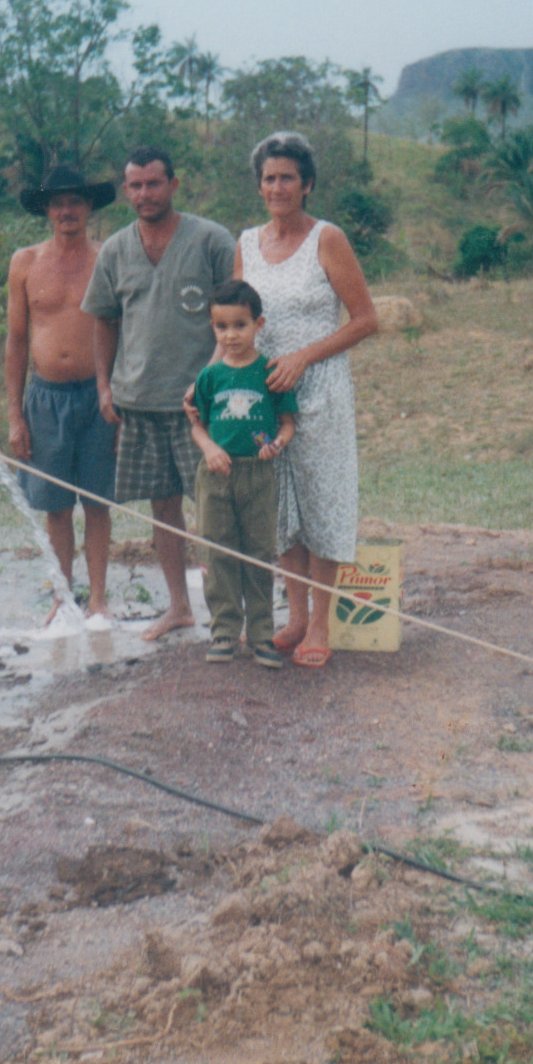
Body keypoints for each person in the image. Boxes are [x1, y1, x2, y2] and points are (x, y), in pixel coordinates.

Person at [234, 132, 378, 668]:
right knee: (280, 506)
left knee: (321, 498)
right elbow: (233, 318)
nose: (277, 187)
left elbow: (366, 320)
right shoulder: (247, 243)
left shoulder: (328, 238)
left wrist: (304, 357)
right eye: (269, 177)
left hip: (319, 389)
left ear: (307, 183)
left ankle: (321, 623)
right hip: (264, 392)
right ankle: (293, 617)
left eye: (287, 177)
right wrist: (215, 378)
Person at [82, 146, 236, 640]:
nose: (144, 194)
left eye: (153, 183)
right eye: (135, 185)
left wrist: (212, 381)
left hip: (202, 404)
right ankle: (178, 607)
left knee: (218, 508)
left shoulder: (211, 240)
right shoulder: (114, 250)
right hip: (139, 401)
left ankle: (232, 614)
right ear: (126, 190)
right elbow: (104, 320)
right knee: (163, 509)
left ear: (173, 183)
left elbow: (237, 318)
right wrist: (105, 385)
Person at [6, 164, 120, 623]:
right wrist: (15, 415)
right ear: (46, 210)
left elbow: (122, 330)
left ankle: (98, 598)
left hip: (100, 397)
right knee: (55, 506)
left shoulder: (108, 257)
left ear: (89, 206)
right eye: (58, 202)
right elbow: (16, 340)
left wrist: (118, 398)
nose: (67, 210)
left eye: (75, 201)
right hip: (45, 398)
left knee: (97, 502)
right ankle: (61, 596)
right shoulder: (26, 262)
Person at [189, 280, 298, 668]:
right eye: (222, 327)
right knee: (216, 552)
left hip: (259, 475)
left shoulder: (270, 372)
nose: (231, 335)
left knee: (258, 554)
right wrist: (210, 448)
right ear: (212, 328)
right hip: (216, 476)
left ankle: (262, 635)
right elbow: (197, 424)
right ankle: (223, 631)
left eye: (240, 325)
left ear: (259, 324)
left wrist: (278, 444)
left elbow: (288, 424)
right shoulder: (209, 377)